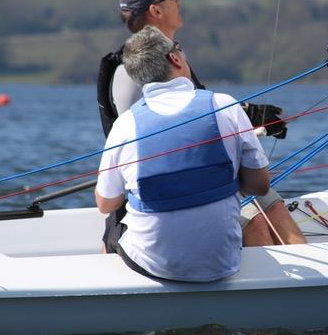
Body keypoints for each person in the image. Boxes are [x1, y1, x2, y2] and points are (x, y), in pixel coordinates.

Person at [97, 0, 306, 248]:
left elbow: (190, 109)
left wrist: (248, 114)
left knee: (274, 208)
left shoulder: (172, 54)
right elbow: (148, 137)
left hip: (210, 172)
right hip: (171, 189)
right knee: (256, 221)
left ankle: (310, 286)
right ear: (155, 10)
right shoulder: (131, 70)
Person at [95, 26, 271, 281]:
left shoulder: (126, 124)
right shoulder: (225, 105)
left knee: (113, 223)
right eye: (180, 49)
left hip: (155, 267)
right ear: (175, 58)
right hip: (222, 262)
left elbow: (105, 203)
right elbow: (260, 185)